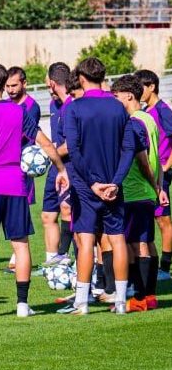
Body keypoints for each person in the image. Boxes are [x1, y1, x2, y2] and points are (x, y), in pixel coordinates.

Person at [0, 63, 68, 319]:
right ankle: (22, 305)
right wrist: (61, 169)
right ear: (4, 82)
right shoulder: (18, 112)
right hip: (16, 185)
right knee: (21, 245)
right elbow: (45, 143)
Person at [58, 58, 135, 316]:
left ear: (80, 78)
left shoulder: (74, 108)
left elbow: (74, 150)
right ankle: (122, 301)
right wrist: (116, 181)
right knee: (118, 239)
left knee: (86, 241)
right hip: (113, 184)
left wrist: (92, 183)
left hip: (85, 186)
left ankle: (82, 303)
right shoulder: (118, 107)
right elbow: (128, 148)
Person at [111, 75, 167, 312]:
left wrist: (154, 185)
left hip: (135, 190)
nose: (114, 101)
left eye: (116, 96)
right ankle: (151, 296)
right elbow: (159, 158)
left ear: (129, 96)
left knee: (137, 245)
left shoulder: (134, 121)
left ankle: (139, 299)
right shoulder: (149, 118)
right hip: (147, 190)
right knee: (148, 243)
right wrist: (159, 186)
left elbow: (143, 159)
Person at [135, 69, 172, 281]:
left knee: (163, 220)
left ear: (151, 87)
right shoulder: (148, 111)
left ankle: (165, 269)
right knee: (153, 218)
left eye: (142, 87)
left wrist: (167, 166)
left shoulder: (163, 110)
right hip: (152, 173)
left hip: (162, 174)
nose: (139, 91)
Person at [4, 66, 42, 273]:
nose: (10, 90)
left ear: (24, 83)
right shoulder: (6, 105)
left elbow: (24, 135)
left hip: (22, 164)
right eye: (7, 86)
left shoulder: (31, 107)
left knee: (20, 206)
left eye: (14, 85)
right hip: (6, 164)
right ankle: (16, 254)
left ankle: (18, 255)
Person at [40, 63, 75, 268]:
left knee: (67, 210)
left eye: (47, 86)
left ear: (53, 84)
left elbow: (70, 144)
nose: (48, 90)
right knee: (47, 214)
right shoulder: (54, 105)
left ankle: (64, 255)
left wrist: (45, 153)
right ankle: (51, 259)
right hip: (55, 167)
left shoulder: (72, 104)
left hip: (69, 168)